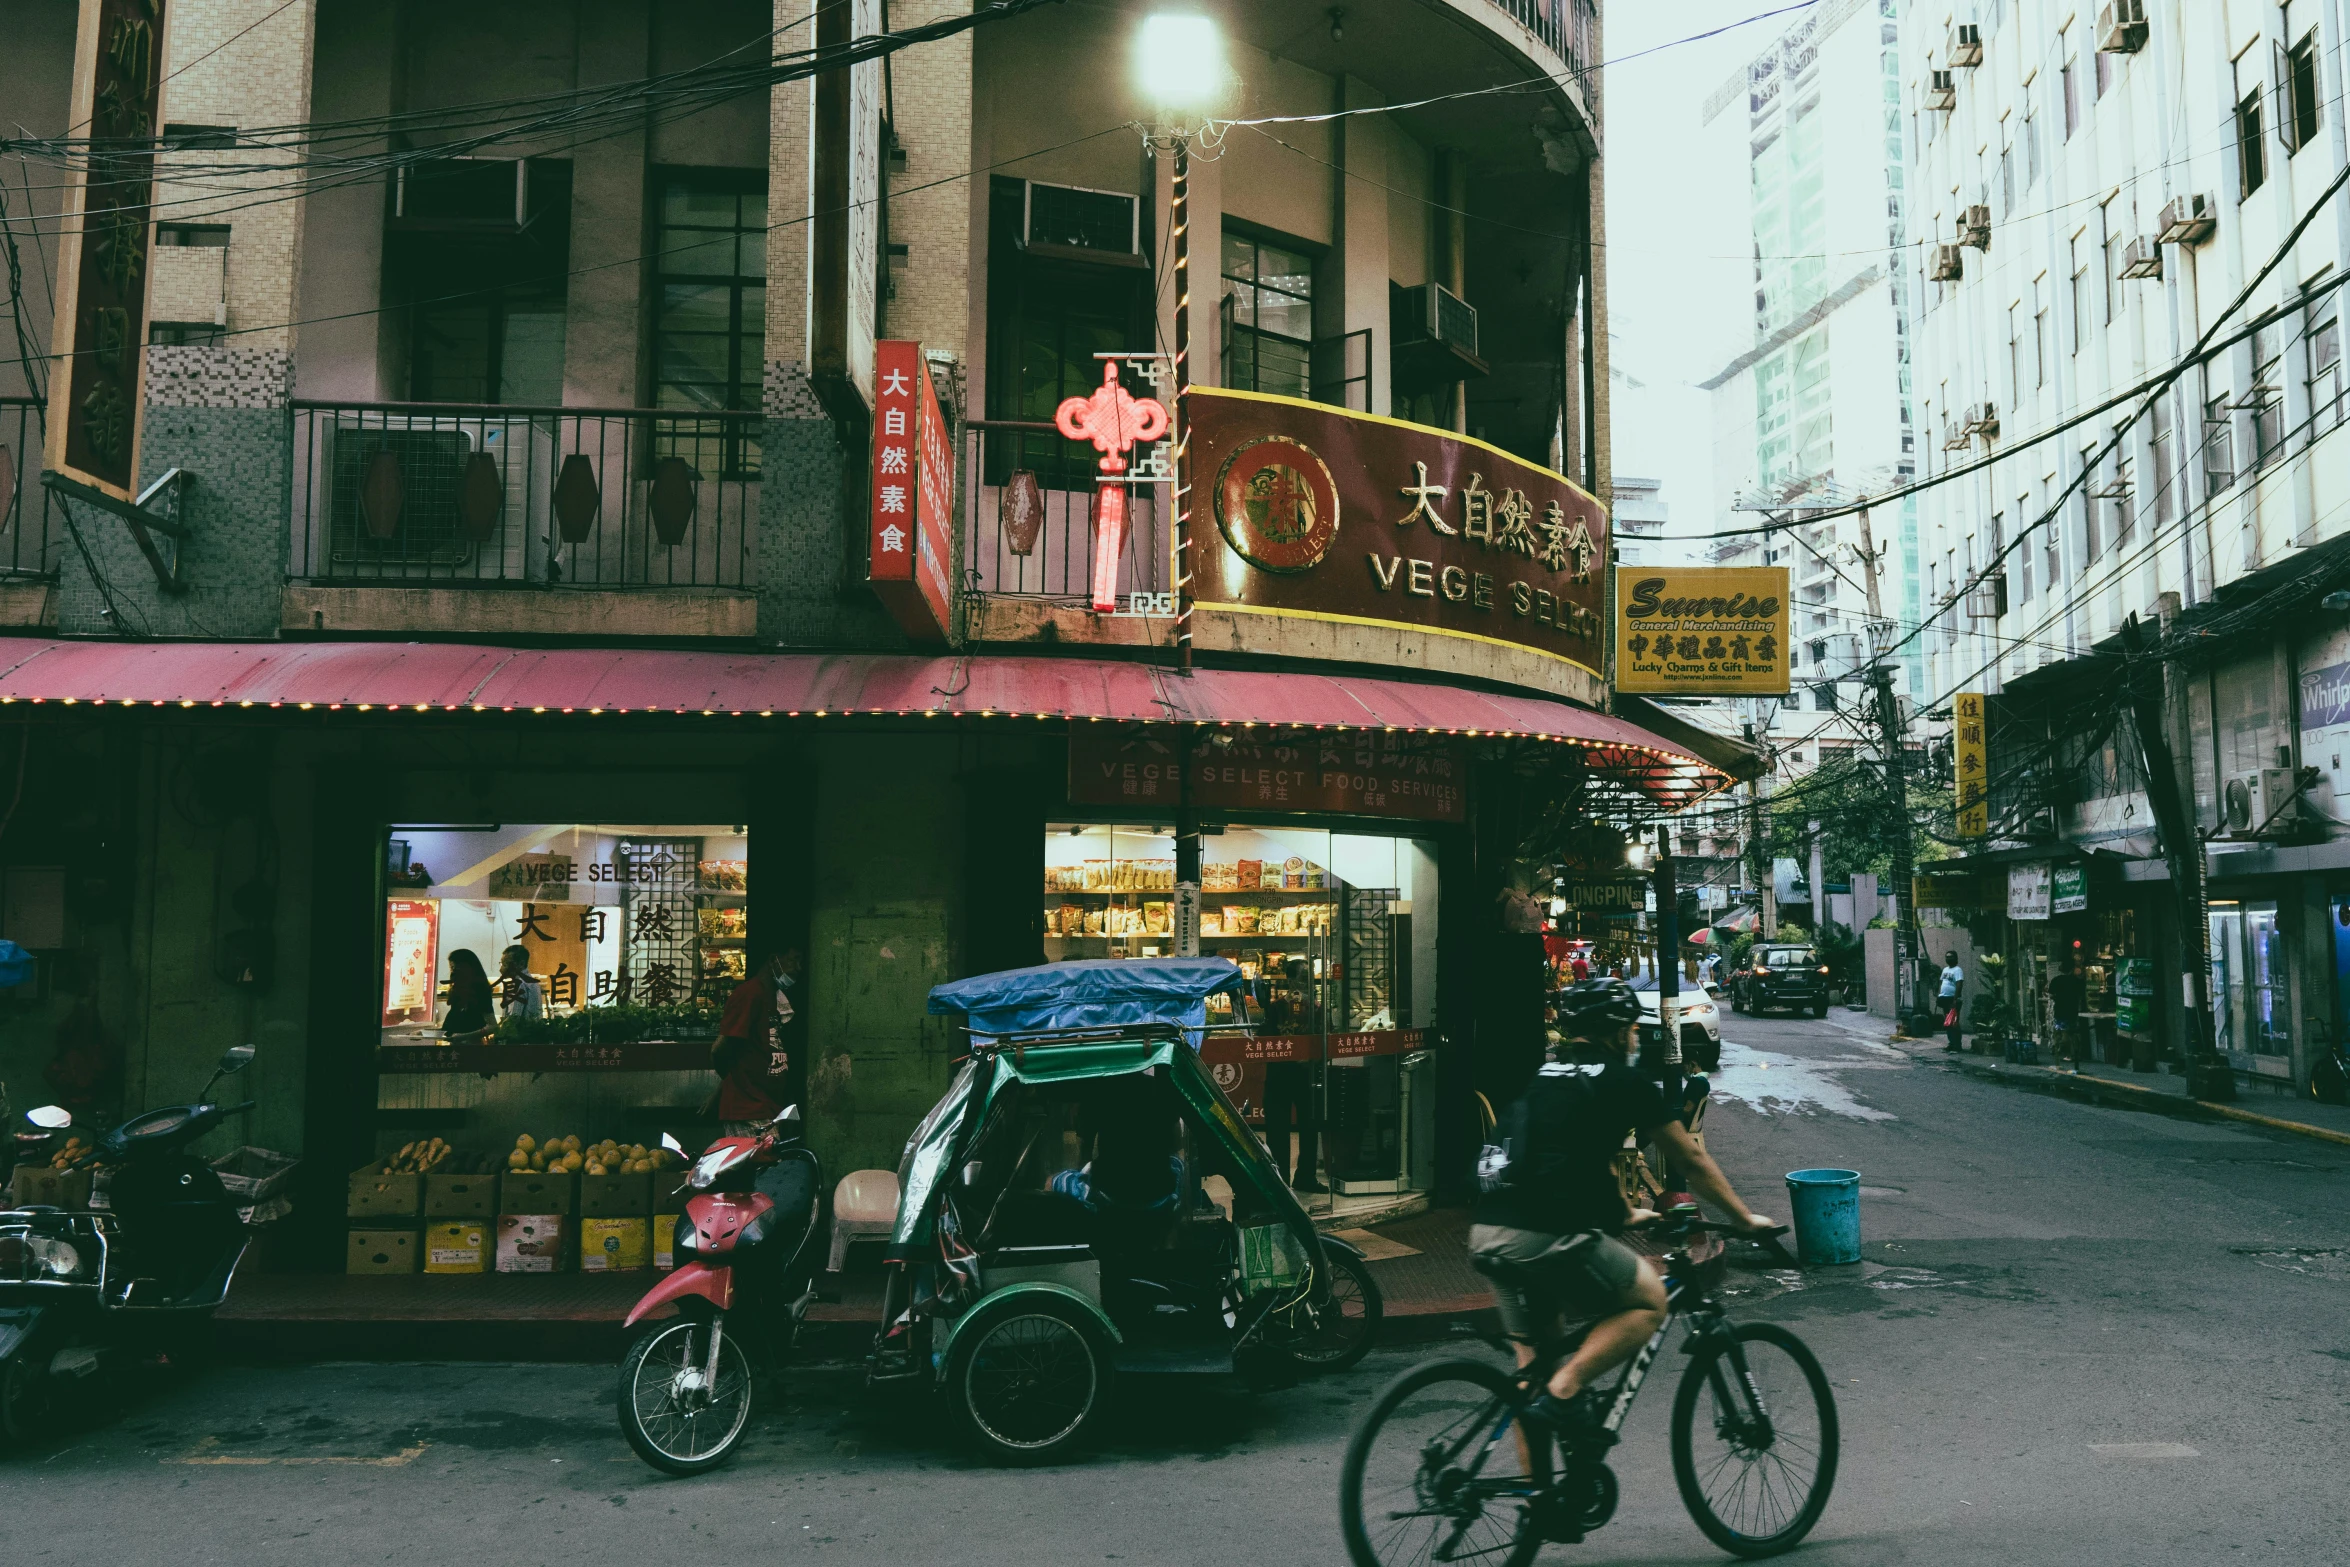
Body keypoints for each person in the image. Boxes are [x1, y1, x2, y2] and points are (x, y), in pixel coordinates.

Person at [1471, 977, 1777, 1442]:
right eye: (1632, 1029)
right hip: (1545, 1235)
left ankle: (1541, 1501)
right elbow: (1690, 1159)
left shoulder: (1545, 1075)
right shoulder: (1624, 1081)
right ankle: (1566, 1391)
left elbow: (1578, 1154)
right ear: (1617, 1032)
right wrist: (1743, 1218)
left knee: (1530, 1376)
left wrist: (1624, 1214)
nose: (1635, 1038)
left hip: (1489, 1231)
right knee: (1648, 1300)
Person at [711, 943, 802, 1135]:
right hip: (749, 1109)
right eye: (794, 960)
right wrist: (738, 1082)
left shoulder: (776, 997)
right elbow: (720, 1050)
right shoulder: (749, 995)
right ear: (773, 960)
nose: (797, 968)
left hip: (769, 1106)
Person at [1260, 957, 1323, 1192]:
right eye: (1302, 978)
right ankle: (1280, 1180)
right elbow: (1264, 1038)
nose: (1307, 983)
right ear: (1289, 980)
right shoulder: (1275, 1008)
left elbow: (1326, 1037)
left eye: (1309, 978)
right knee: (1277, 1130)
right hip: (1279, 1075)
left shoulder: (1317, 1009)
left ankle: (1306, 1177)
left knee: (1310, 1127)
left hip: (1307, 1075)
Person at [440, 949, 494, 1040]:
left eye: (454, 968)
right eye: (451, 968)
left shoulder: (480, 991)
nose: (452, 972)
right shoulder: (458, 992)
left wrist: (463, 1037)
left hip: (473, 1048)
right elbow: (451, 1027)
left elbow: (492, 1026)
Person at [2049, 955, 2088, 1069]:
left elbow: (2051, 995)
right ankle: (2074, 1054)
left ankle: (2063, 1055)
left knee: (2060, 1033)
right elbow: (2081, 996)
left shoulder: (2056, 980)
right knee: (2073, 1033)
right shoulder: (2076, 981)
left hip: (2060, 1010)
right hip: (2072, 1010)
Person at [496, 944, 546, 1022]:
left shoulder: (519, 984)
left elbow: (513, 1020)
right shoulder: (532, 982)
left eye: (505, 964)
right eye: (501, 964)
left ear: (521, 964)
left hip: (521, 1033)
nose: (501, 969)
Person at [1938, 951, 1966, 1051]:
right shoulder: (1945, 969)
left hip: (1952, 999)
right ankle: (1951, 1043)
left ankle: (1957, 1045)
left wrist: (1955, 999)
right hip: (1944, 998)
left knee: (1954, 1022)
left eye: (1951, 957)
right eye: (1947, 957)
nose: (1948, 959)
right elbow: (1942, 982)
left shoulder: (1958, 970)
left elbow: (1959, 984)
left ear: (1955, 958)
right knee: (1948, 1022)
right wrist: (1939, 994)